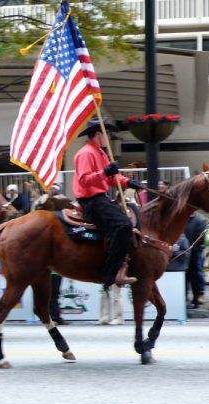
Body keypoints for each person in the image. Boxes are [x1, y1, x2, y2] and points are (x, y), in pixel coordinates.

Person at [73, 116, 143, 290]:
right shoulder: (86, 153)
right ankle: (109, 272)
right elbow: (84, 180)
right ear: (98, 134)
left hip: (100, 198)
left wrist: (129, 182)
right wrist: (104, 172)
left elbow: (113, 179)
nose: (109, 137)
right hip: (91, 200)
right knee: (124, 225)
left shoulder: (101, 152)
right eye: (107, 133)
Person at [185, 212, 207, 309]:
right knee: (185, 277)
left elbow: (202, 238)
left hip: (195, 254)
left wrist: (193, 249)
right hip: (184, 254)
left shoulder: (200, 220)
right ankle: (184, 298)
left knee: (196, 276)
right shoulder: (183, 218)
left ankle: (196, 299)